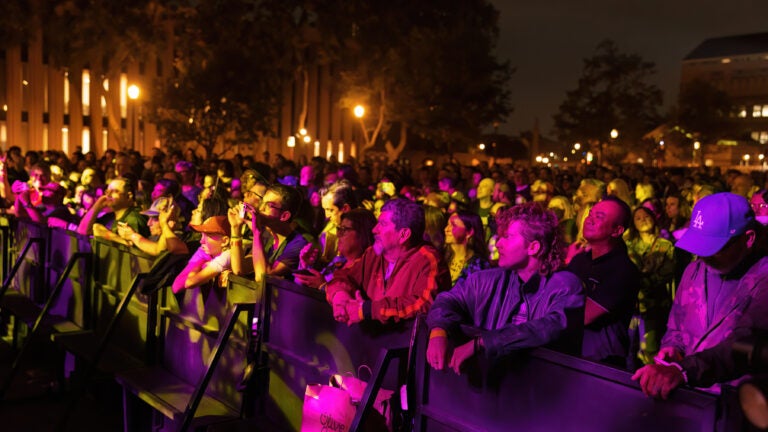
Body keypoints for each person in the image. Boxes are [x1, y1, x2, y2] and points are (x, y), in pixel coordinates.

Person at [632, 193, 768, 398]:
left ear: (748, 239)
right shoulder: (695, 270)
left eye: (714, 248)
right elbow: (676, 326)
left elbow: (742, 345)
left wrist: (685, 370)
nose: (704, 256)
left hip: (739, 400)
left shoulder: (763, 277)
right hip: (691, 395)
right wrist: (673, 349)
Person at [426, 202, 584, 374]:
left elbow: (549, 326)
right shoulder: (488, 279)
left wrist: (482, 342)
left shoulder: (565, 285)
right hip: (493, 382)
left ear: (533, 247)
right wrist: (438, 330)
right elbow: (448, 299)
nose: (498, 244)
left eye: (507, 237)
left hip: (541, 384)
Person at [325, 198, 451, 325]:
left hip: (402, 337)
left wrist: (367, 310)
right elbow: (344, 277)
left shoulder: (428, 260)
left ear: (403, 235)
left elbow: (424, 304)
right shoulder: (374, 254)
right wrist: (340, 296)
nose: (374, 230)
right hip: (372, 335)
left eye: (383, 224)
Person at [567, 196, 642, 367]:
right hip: (571, 353)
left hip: (600, 362)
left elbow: (585, 316)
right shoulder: (579, 260)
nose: (589, 219)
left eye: (599, 217)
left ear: (617, 230)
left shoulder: (623, 269)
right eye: (590, 214)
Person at [624, 206, 675, 365]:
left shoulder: (665, 245)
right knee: (628, 346)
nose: (643, 220)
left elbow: (667, 273)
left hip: (654, 304)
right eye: (638, 218)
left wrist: (644, 281)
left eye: (646, 216)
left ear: (653, 218)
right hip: (631, 304)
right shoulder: (627, 245)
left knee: (650, 348)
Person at [294, 209, 377, 290]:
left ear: (362, 234)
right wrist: (306, 266)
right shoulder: (339, 261)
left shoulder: (365, 270)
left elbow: (350, 297)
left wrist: (323, 286)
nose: (338, 234)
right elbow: (300, 288)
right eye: (339, 229)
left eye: (344, 230)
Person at [76, 176, 150, 243]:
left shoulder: (134, 219)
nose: (108, 195)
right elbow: (82, 232)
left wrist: (107, 234)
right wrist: (97, 206)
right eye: (107, 191)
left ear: (128, 196)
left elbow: (133, 250)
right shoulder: (110, 217)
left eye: (114, 191)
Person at [171, 215, 232, 293]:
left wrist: (200, 266)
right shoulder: (204, 252)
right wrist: (203, 263)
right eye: (202, 235)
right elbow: (176, 287)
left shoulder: (229, 255)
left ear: (224, 241)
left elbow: (189, 283)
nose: (201, 241)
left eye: (207, 235)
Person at [443, 211, 490, 287]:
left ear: (469, 232)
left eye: (453, 225)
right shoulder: (442, 256)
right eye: (447, 224)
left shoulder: (478, 265)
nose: (446, 229)